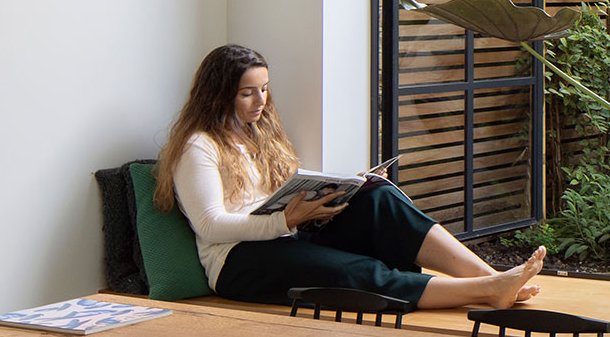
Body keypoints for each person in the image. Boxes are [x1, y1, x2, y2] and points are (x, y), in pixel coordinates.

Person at [155, 44, 544, 309]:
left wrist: (344, 188)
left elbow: (283, 192)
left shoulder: (259, 134)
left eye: (265, 89)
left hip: (287, 234)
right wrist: (284, 221)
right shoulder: (198, 147)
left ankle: (494, 277)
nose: (262, 101)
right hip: (237, 261)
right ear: (218, 96)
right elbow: (210, 226)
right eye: (247, 93)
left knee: (377, 198)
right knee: (351, 272)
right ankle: (486, 290)